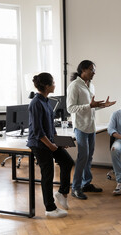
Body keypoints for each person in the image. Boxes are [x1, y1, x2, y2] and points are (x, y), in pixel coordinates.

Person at [27, 72, 74, 218]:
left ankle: (61, 192)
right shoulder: (35, 103)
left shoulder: (47, 101)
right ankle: (50, 209)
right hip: (39, 144)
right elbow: (37, 131)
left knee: (67, 162)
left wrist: (58, 142)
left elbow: (50, 127)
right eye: (53, 83)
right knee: (48, 174)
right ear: (47, 86)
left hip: (49, 141)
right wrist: (51, 145)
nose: (55, 85)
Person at [67, 60, 116, 200]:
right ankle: (75, 188)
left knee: (89, 157)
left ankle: (86, 184)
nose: (94, 72)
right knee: (82, 158)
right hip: (81, 127)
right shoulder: (74, 86)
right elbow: (70, 108)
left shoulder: (91, 86)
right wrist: (90, 105)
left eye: (94, 70)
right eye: (91, 69)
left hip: (91, 126)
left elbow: (91, 106)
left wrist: (103, 105)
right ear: (83, 70)